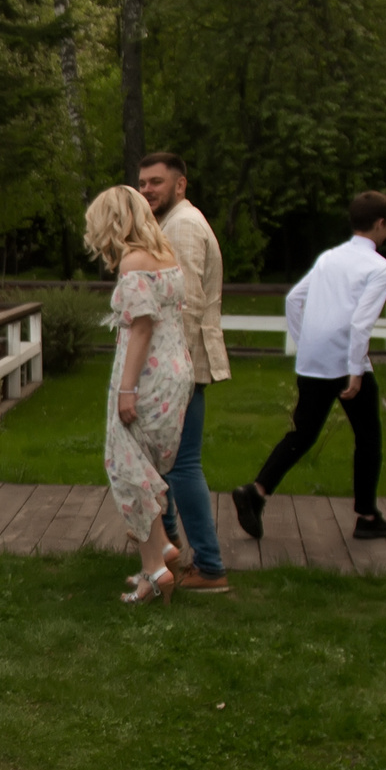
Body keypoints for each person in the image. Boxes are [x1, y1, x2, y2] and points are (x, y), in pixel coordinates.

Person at [233, 192, 386, 542]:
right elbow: (360, 324)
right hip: (346, 362)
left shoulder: (329, 258)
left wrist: (306, 342)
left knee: (303, 434)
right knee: (369, 438)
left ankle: (257, 491)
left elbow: (294, 300)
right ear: (382, 223)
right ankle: (367, 516)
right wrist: (356, 370)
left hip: (313, 361)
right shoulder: (380, 268)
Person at [87, 186, 193, 605]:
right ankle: (162, 548)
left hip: (146, 376)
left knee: (126, 468)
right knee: (143, 467)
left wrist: (126, 390)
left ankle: (156, 569)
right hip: (173, 371)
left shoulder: (134, 262)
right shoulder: (165, 254)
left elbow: (142, 327)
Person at [138, 152, 231, 595]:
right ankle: (170, 543)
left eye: (156, 182)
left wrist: (168, 370)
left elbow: (185, 303)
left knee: (182, 465)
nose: (147, 189)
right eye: (142, 182)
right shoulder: (168, 224)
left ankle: (210, 567)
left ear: (180, 185)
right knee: (163, 462)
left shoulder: (185, 227)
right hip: (174, 364)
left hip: (181, 365)